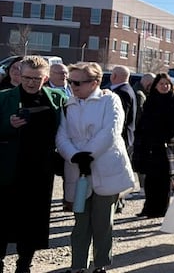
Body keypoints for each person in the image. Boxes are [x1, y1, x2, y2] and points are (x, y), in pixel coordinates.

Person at [57, 61, 136, 273]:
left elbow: (111, 130)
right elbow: (61, 135)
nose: (73, 86)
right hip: (78, 171)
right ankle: (77, 266)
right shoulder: (68, 103)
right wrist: (75, 156)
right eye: (70, 82)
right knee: (80, 224)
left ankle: (101, 265)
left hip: (105, 169)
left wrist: (88, 155)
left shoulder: (110, 99)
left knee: (103, 223)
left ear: (94, 82)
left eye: (78, 82)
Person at [0, 55, 67, 273]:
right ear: (19, 74)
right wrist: (8, 125)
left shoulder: (56, 98)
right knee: (3, 219)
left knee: (33, 222)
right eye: (27, 77)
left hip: (40, 170)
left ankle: (24, 264)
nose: (30, 82)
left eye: (36, 79)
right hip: (8, 169)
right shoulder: (4, 98)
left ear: (46, 78)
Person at [133, 73, 174, 218]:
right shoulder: (150, 100)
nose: (164, 86)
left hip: (167, 144)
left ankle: (161, 209)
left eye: (167, 84)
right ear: (155, 86)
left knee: (164, 180)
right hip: (150, 145)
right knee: (150, 179)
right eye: (161, 84)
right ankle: (148, 207)